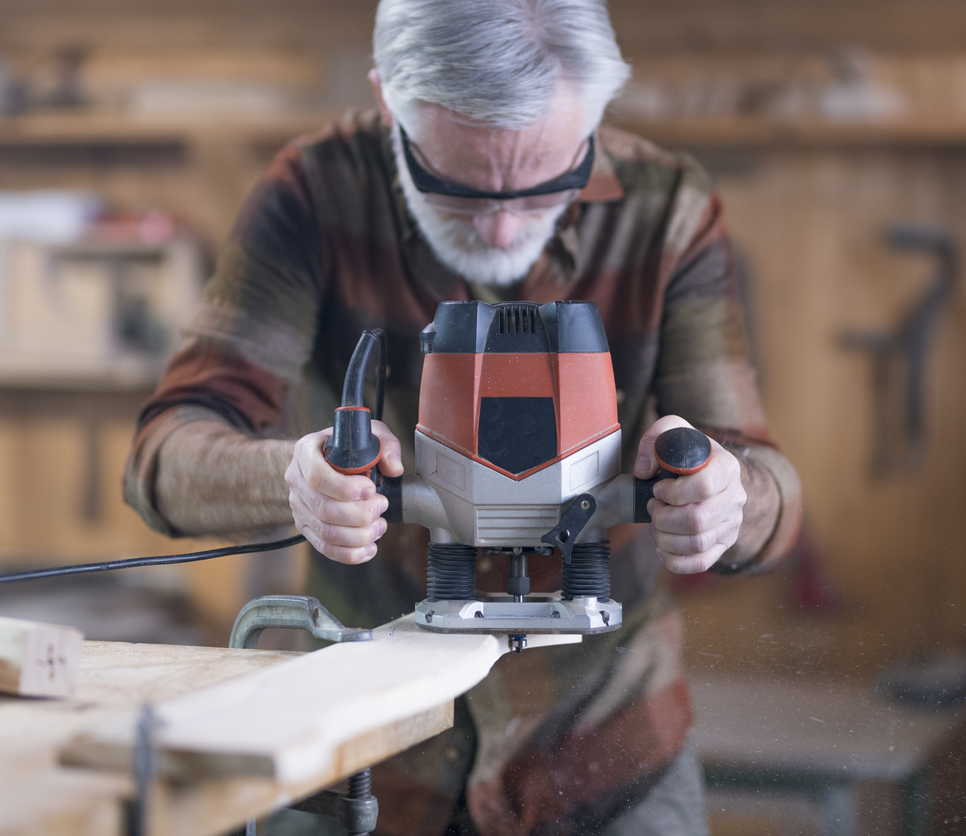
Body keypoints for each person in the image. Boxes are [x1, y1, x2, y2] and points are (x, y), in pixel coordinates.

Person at [123, 1, 801, 833]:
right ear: (388, 101)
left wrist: (728, 499)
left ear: (594, 116)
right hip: (363, 748)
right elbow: (164, 456)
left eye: (550, 182)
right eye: (457, 188)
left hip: (604, 756)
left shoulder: (669, 207)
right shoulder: (313, 192)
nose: (504, 226)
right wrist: (296, 479)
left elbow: (766, 485)